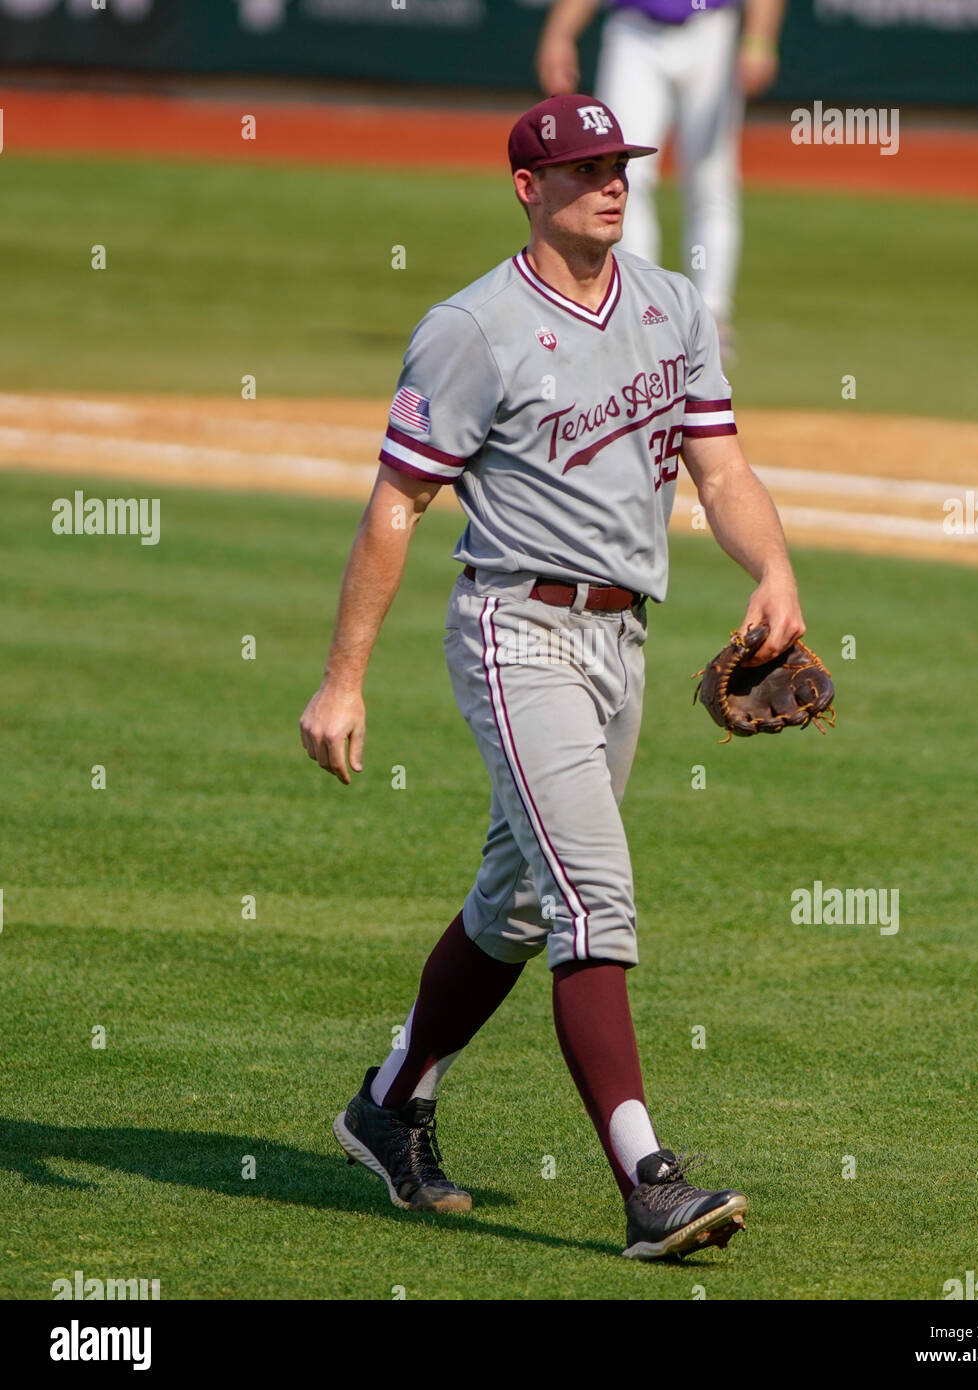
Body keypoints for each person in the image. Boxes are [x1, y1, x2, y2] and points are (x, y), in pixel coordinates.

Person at [299, 93, 806, 1260]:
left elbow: (719, 471)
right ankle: (647, 1179)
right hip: (513, 630)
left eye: (618, 163)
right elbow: (399, 502)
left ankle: (388, 1103)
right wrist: (343, 680)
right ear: (527, 188)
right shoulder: (471, 330)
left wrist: (772, 566)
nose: (611, 182)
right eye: (581, 169)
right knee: (594, 894)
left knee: (521, 901)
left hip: (622, 644)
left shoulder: (673, 308)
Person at [536, 0, 787, 355]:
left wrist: (760, 39)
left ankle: (711, 315)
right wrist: (559, 35)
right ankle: (641, 310)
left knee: (710, 180)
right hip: (634, 32)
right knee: (623, 178)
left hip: (711, 29)